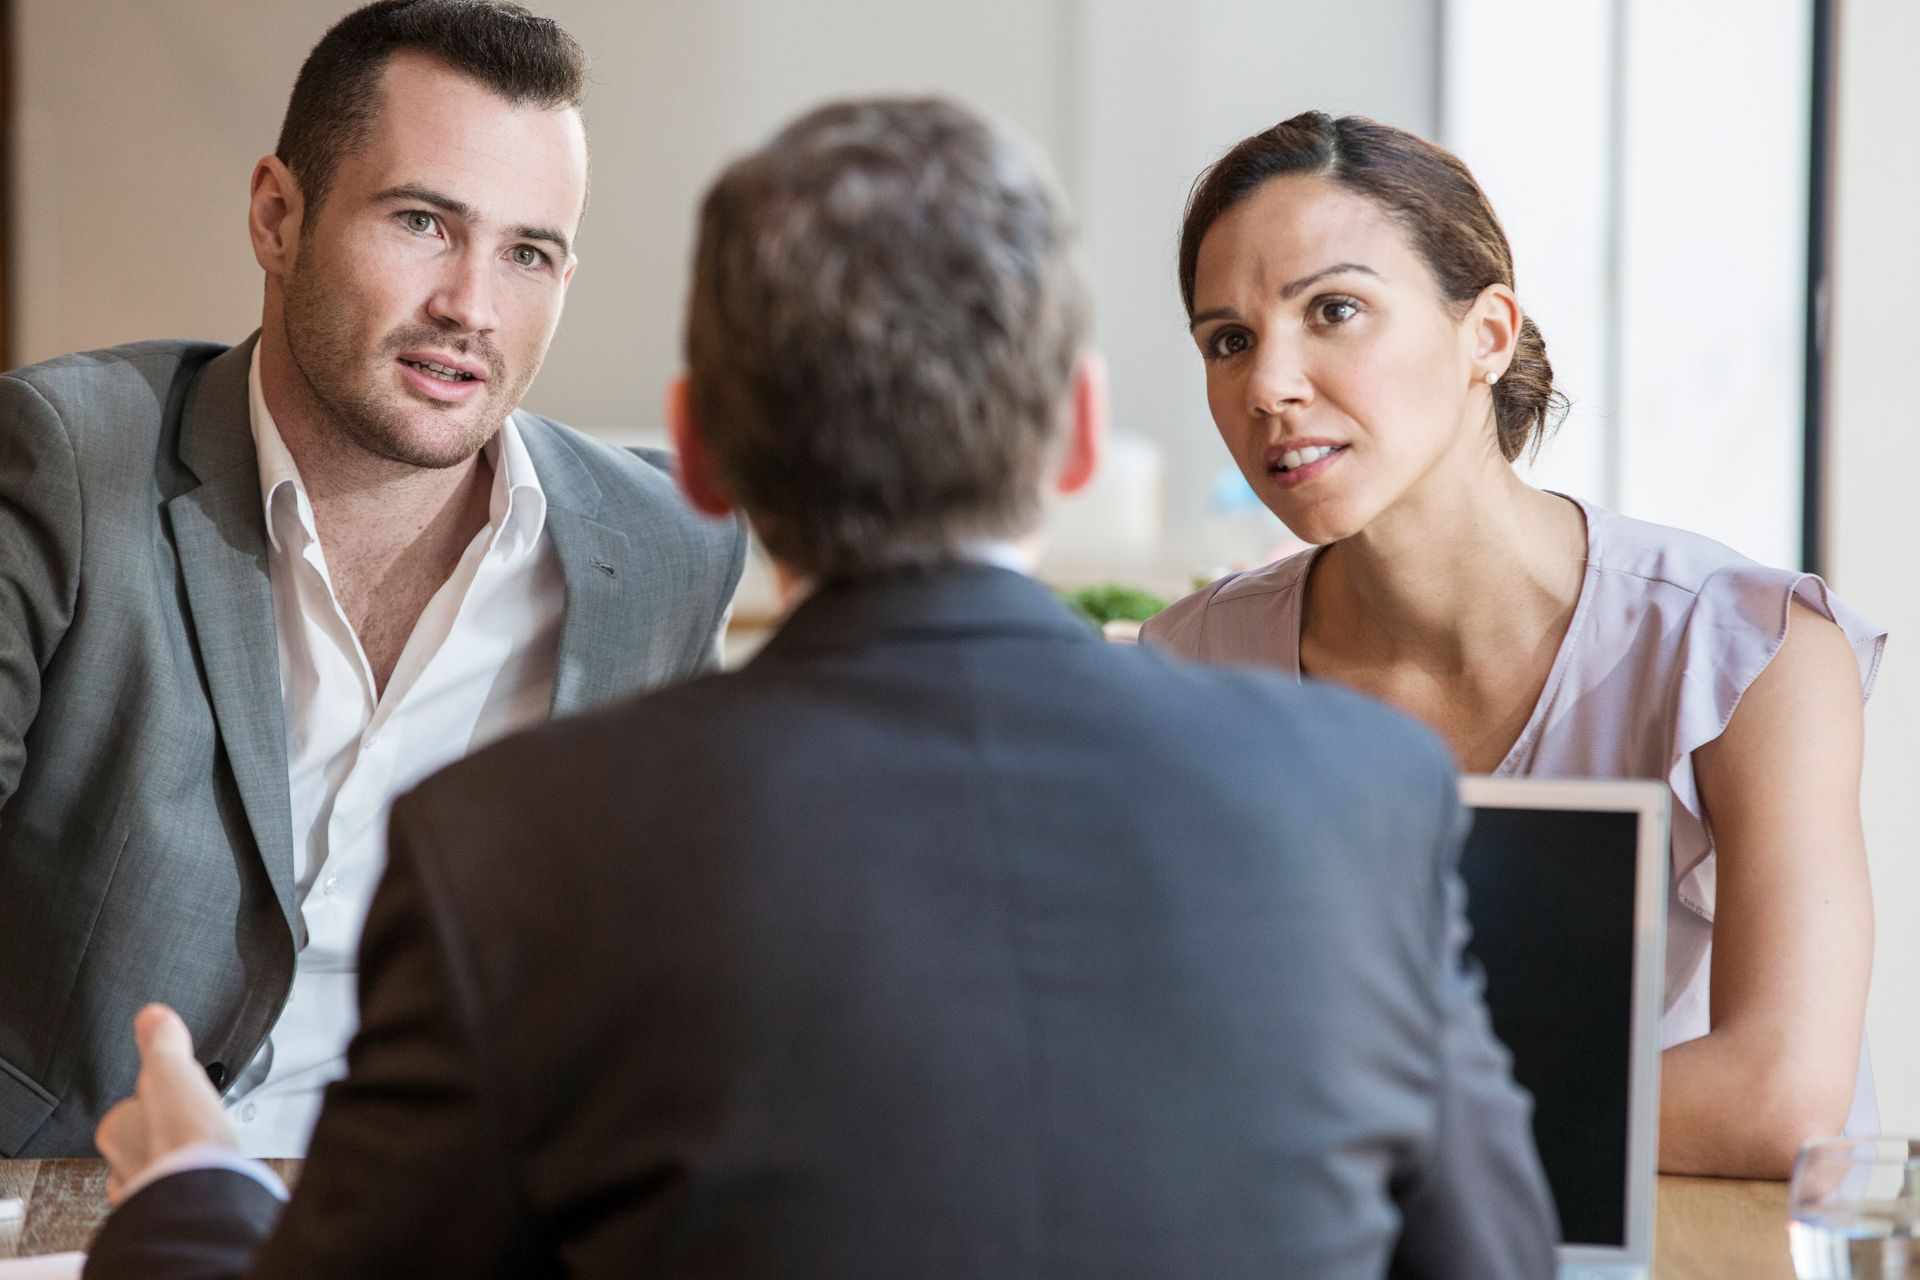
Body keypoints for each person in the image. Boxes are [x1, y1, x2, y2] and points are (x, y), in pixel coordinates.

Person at [81, 98, 1558, 1279]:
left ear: (700, 455)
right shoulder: (1362, 798)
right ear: (1079, 437)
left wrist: (190, 1201)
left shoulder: (514, 848)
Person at [0, 0, 743, 1159]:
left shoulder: (663, 549)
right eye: (421, 222)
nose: (472, 306)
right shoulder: (65, 464)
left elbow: (682, 967)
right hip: (86, 1203)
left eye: (529, 252)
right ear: (277, 216)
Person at [1144, 110, 1881, 1178]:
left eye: (1335, 309)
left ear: (1486, 333)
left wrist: (1332, 1109)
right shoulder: (1188, 671)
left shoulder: (1749, 654)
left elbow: (1782, 1098)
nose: (1268, 384)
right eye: (1229, 339)